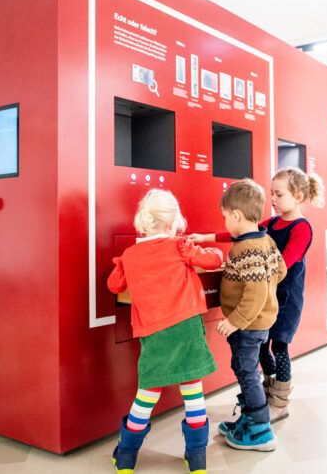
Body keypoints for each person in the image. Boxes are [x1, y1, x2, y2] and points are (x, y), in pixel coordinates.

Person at [190, 167, 325, 422]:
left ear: (297, 196)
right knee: (263, 346)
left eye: (279, 194)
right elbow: (241, 231)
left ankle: (280, 401)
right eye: (272, 193)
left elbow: (282, 266)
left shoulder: (301, 228)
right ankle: (264, 393)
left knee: (280, 346)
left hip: (284, 299)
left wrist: (254, 274)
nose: (272, 199)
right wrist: (205, 237)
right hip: (265, 297)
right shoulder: (272, 223)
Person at [107, 189, 223, 474]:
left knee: (147, 392)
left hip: (155, 332)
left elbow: (114, 286)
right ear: (173, 223)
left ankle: (125, 455)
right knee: (193, 390)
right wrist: (204, 249)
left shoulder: (131, 254)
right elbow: (214, 260)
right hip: (187, 328)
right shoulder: (179, 246)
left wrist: (122, 264)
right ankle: (196, 457)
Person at [213, 178, 286, 451]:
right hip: (260, 321)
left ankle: (259, 430)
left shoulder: (246, 249)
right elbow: (280, 271)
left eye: (224, 217)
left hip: (248, 325)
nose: (224, 223)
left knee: (246, 372)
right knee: (245, 370)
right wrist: (267, 289)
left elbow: (254, 293)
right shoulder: (265, 239)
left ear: (236, 215)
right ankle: (249, 420)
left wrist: (234, 321)